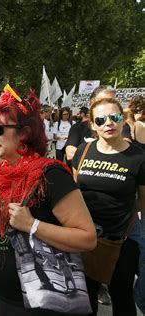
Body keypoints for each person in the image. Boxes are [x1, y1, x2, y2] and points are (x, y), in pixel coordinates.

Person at [0, 88, 96, 315]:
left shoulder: (52, 175)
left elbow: (87, 238)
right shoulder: (2, 172)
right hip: (0, 295)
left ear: (24, 133)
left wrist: (32, 225)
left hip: (38, 303)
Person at [73, 97, 145, 316]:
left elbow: (142, 199)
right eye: (101, 119)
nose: (108, 123)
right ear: (93, 125)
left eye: (114, 117)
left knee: (122, 298)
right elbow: (75, 191)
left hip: (120, 242)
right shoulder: (83, 151)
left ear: (123, 120)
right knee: (85, 301)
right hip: (84, 239)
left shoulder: (138, 158)